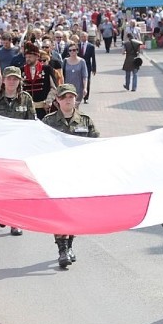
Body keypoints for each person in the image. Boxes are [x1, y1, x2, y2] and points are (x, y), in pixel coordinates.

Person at [42, 84, 99, 269]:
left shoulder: (85, 121)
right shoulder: (48, 122)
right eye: (64, 97)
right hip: (55, 175)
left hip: (77, 175)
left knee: (73, 212)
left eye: (71, 97)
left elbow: (96, 145)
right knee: (58, 212)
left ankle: (70, 244)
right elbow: (39, 146)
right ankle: (62, 249)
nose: (68, 99)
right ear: (57, 100)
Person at [0, 66, 34, 237]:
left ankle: (15, 221)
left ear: (20, 81)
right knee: (0, 185)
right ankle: (2, 213)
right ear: (3, 80)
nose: (12, 81)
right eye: (9, 78)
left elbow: (32, 124)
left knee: (16, 187)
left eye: (15, 78)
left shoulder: (26, 99)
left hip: (19, 151)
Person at [22, 43, 59, 120]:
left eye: (30, 57)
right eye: (26, 57)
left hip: (43, 107)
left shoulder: (46, 69)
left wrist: (48, 101)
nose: (27, 59)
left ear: (37, 57)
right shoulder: (22, 70)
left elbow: (54, 88)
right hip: (26, 108)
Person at [76, 32, 97, 103]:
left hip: (87, 66)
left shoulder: (91, 46)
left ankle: (86, 98)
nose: (83, 38)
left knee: (87, 81)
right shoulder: (77, 46)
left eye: (84, 36)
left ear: (87, 37)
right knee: (78, 81)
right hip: (78, 65)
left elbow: (93, 58)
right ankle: (78, 96)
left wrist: (94, 68)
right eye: (81, 36)